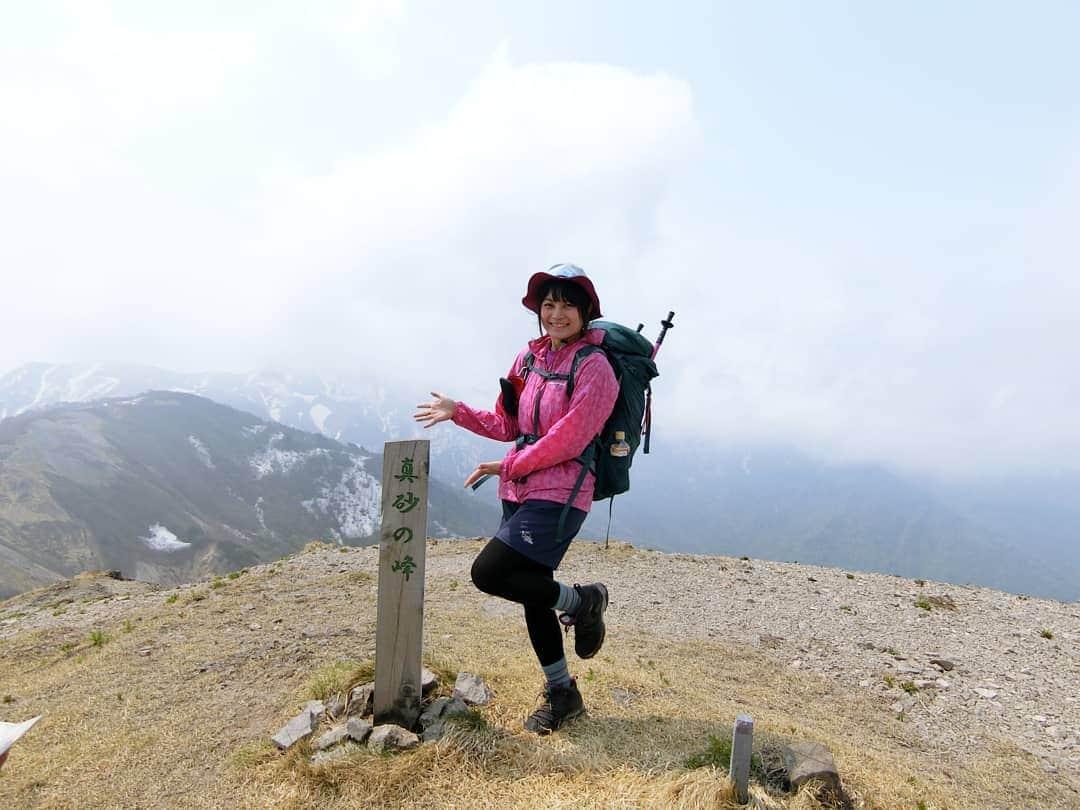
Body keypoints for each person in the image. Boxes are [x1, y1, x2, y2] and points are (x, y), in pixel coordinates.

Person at [415, 263, 619, 734]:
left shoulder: (596, 369)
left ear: (586, 310)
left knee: (489, 572)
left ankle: (584, 601)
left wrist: (507, 465)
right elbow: (511, 426)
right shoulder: (528, 361)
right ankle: (562, 694)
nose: (557, 312)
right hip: (522, 489)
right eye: (549, 303)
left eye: (568, 303)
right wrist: (457, 412)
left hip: (562, 493)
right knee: (533, 592)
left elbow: (568, 440)